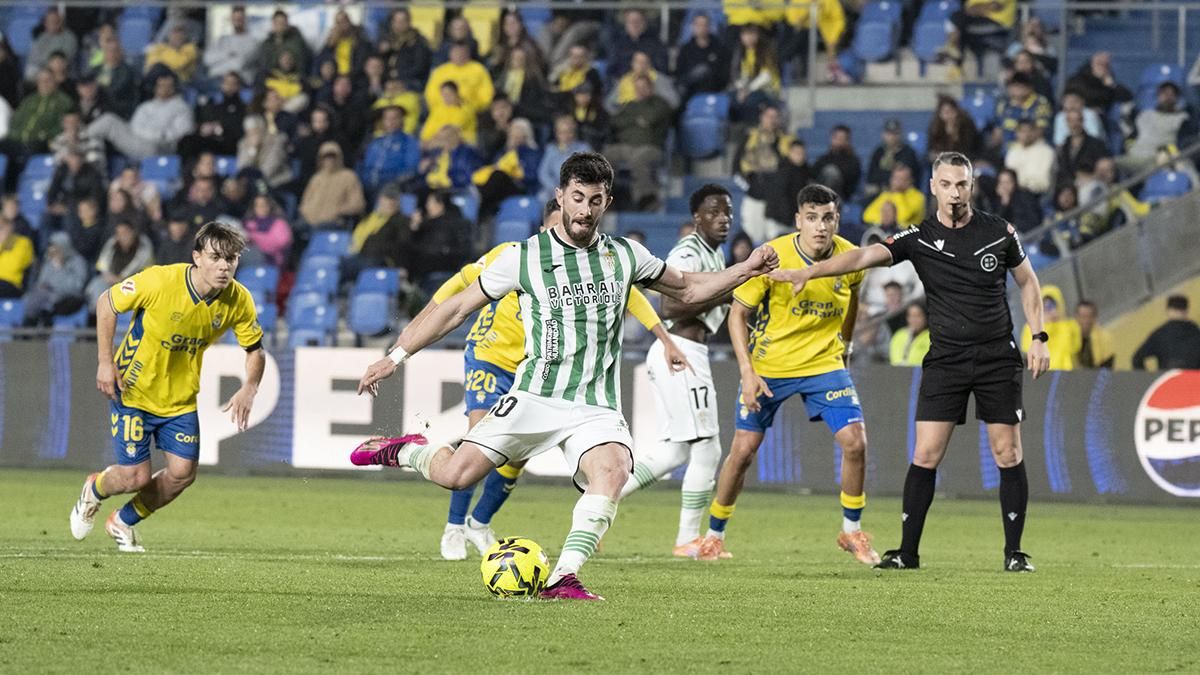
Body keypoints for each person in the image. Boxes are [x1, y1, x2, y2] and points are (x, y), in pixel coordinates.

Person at [350, 152, 779, 600]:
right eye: (577, 197)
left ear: (607, 201)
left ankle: (563, 576)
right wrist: (395, 356)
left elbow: (689, 287)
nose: (585, 210)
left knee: (613, 470)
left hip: (594, 405)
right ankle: (411, 451)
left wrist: (745, 270)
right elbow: (455, 308)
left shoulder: (624, 255)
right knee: (457, 475)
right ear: (560, 196)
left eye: (595, 200)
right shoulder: (523, 258)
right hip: (535, 395)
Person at [769, 152, 1050, 572]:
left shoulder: (999, 232)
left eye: (962, 184)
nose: (955, 192)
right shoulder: (918, 236)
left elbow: (1028, 281)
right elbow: (863, 257)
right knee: (926, 453)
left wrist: (1039, 336)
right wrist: (813, 271)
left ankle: (1015, 553)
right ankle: (907, 553)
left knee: (1007, 452)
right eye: (947, 184)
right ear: (933, 186)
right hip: (946, 360)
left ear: (971, 187)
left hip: (996, 357)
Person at [426, 198, 693, 560]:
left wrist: (664, 338)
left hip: (534, 373)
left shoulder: (588, 266)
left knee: (514, 460)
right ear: (542, 230)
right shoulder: (513, 255)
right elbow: (456, 288)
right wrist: (418, 324)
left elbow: (630, 294)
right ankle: (454, 527)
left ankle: (479, 523)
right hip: (490, 358)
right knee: (479, 444)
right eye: (556, 228)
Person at [697, 184, 879, 565]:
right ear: (798, 220)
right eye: (811, 218)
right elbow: (737, 314)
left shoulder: (850, 258)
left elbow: (853, 300)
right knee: (743, 452)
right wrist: (746, 372)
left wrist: (845, 348)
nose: (820, 227)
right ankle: (713, 535)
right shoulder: (772, 256)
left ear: (836, 220)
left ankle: (851, 531)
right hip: (770, 368)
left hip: (824, 365)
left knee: (856, 443)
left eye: (827, 218)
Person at [69, 222, 266, 552]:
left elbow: (255, 351)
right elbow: (107, 302)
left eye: (231, 259)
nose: (224, 266)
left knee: (183, 473)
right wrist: (105, 361)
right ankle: (95, 488)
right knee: (136, 477)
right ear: (196, 257)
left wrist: (250, 387)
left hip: (179, 400)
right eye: (216, 257)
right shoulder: (160, 280)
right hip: (133, 390)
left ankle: (123, 521)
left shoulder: (238, 300)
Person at [617, 185, 734, 557]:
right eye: (714, 212)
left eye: (728, 212)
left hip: (684, 351)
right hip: (680, 350)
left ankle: (598, 501)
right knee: (708, 448)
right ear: (697, 217)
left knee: (674, 453)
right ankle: (687, 540)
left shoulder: (714, 256)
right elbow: (669, 305)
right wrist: (728, 291)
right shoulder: (688, 251)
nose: (723, 219)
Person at [1020, 285, 1080, 371]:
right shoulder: (1030, 328)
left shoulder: (1070, 326)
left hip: (1067, 372)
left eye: (1051, 305)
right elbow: (1027, 348)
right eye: (1044, 306)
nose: (1048, 310)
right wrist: (1044, 325)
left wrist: (1058, 322)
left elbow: (1075, 347)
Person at [1132, 295, 1200, 370]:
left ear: (1169, 310)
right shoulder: (1196, 332)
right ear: (1186, 311)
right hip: (1194, 379)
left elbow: (1137, 359)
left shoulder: (1159, 334)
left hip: (1169, 379)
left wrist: (1147, 380)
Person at [865, 119, 921, 199]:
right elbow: (872, 176)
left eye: (895, 134)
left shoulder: (908, 153)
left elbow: (907, 178)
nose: (892, 137)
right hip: (880, 192)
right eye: (889, 134)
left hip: (903, 194)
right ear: (883, 135)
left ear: (900, 134)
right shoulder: (879, 152)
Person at [0, 215, 34, 298]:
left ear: (10, 227)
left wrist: (4, 242)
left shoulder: (23, 242)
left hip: (12, 283)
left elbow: (15, 266)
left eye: (2, 227)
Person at [1074, 300, 1115, 369]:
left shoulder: (1105, 338)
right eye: (1082, 316)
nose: (1085, 321)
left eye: (1089, 316)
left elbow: (1107, 368)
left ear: (1095, 318)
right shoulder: (1070, 337)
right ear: (1076, 317)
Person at [890, 302, 931, 366]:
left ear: (925, 317)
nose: (914, 320)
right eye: (911, 316)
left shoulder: (931, 337)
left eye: (918, 316)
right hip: (899, 372)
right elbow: (894, 357)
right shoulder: (899, 335)